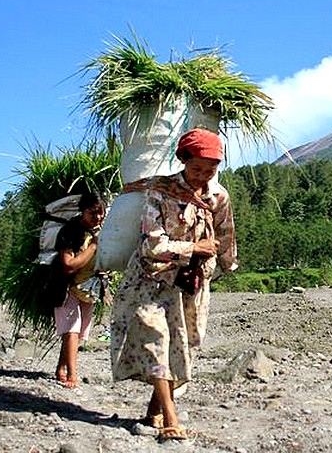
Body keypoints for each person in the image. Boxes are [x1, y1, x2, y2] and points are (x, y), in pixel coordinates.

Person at [110, 128, 238, 443]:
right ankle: (170, 418)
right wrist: (193, 248)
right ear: (182, 160)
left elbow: (225, 235)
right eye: (196, 169)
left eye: (210, 169)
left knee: (182, 347)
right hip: (150, 281)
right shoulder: (160, 192)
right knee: (156, 341)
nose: (203, 175)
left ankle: (153, 411)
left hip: (189, 285)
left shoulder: (219, 197)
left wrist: (225, 264)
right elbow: (152, 244)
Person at [54, 191, 108, 389]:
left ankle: (61, 367)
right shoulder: (70, 232)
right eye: (93, 212)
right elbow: (68, 265)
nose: (98, 217)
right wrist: (93, 246)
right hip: (67, 286)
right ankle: (72, 375)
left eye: (101, 213)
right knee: (71, 329)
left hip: (90, 287)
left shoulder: (103, 229)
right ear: (82, 211)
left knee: (77, 332)